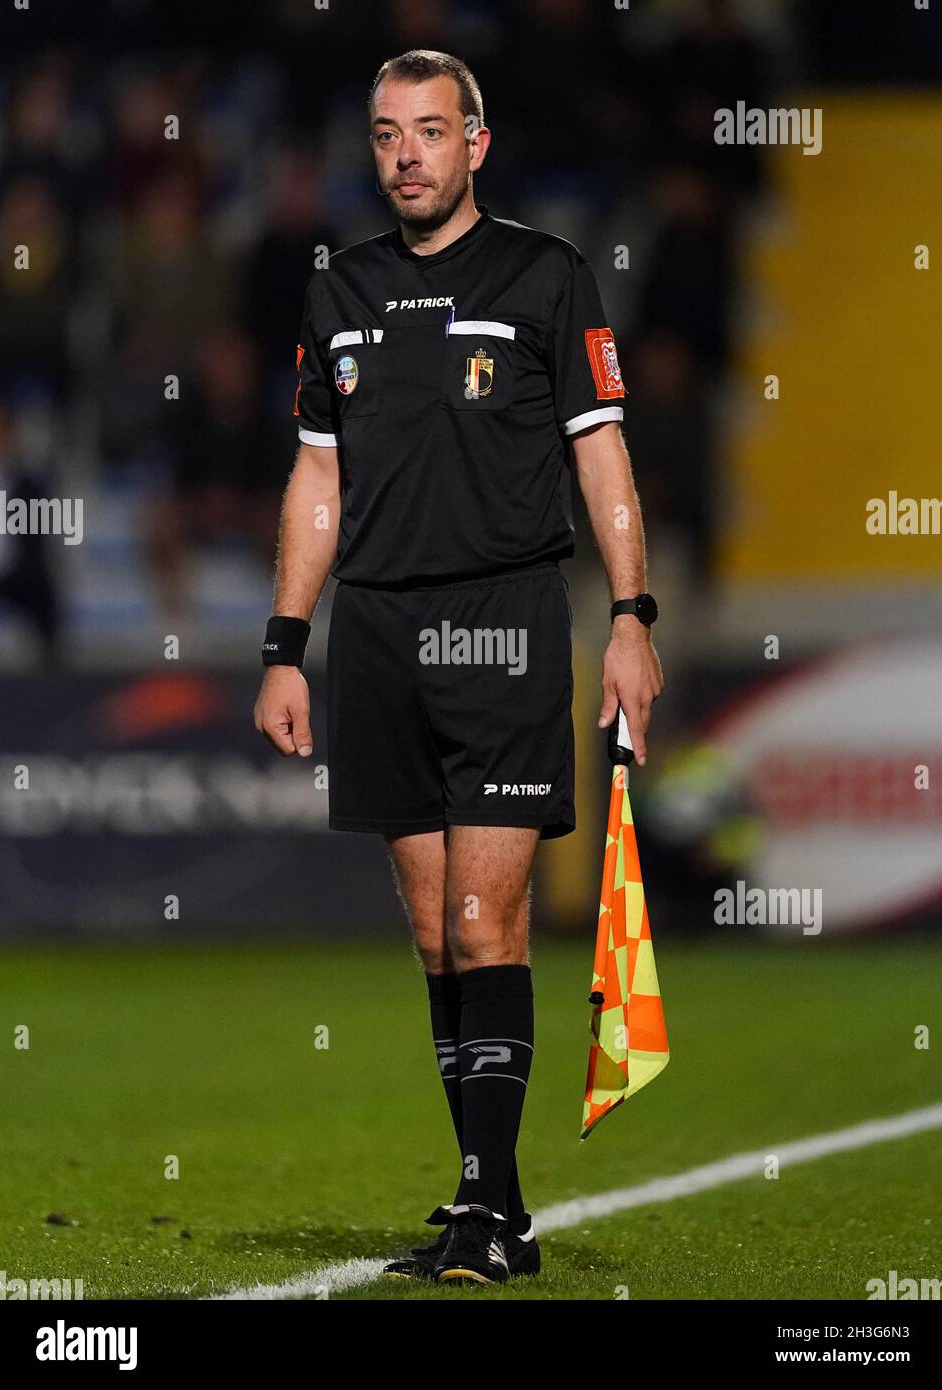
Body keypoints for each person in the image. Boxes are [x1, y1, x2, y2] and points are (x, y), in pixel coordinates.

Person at [253, 49, 663, 1286]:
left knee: (488, 919)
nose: (405, 155)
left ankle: (486, 1211)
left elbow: (602, 455)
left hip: (500, 621)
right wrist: (285, 643)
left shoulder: (547, 276)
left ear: (474, 143)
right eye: (385, 135)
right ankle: (494, 1201)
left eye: (429, 131)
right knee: (437, 933)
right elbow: (316, 480)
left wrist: (632, 614)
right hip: (373, 630)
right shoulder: (339, 290)